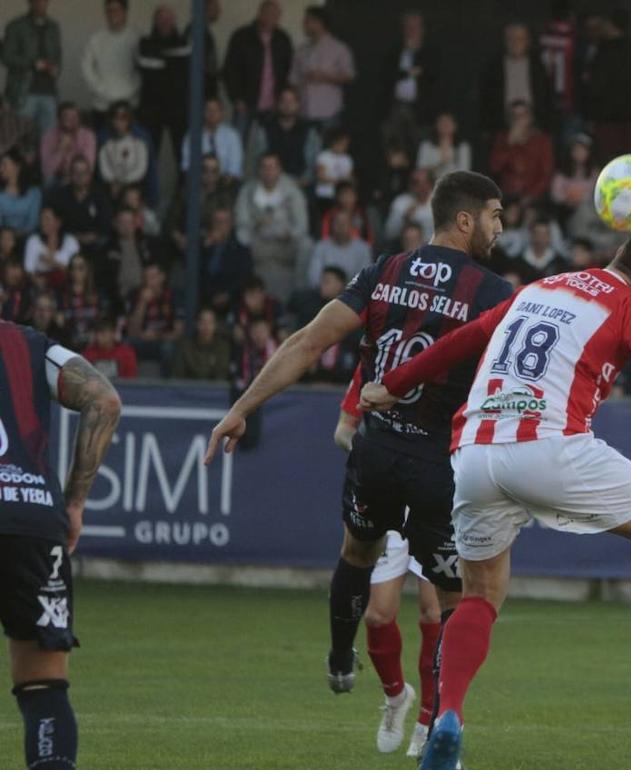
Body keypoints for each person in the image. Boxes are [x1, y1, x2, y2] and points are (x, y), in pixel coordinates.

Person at [355, 224, 631, 769]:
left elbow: (461, 341)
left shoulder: (542, 288)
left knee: (478, 597)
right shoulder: (630, 304)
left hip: (473, 452)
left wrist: (392, 384)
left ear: (617, 253)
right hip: (548, 444)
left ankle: (450, 717)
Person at [204, 172, 514, 702]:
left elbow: (306, 343)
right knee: (457, 599)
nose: (500, 227)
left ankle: (339, 657)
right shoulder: (492, 293)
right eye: (494, 214)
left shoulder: (385, 270)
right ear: (465, 220)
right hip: (439, 464)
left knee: (357, 552)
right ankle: (445, 717)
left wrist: (242, 408)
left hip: (377, 451)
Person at [0, 315, 121, 770]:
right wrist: (74, 502)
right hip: (32, 518)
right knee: (43, 688)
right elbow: (105, 400)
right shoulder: (30, 346)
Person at [334, 372, 446, 758]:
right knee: (378, 616)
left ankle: (428, 723)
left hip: (433, 498)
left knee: (435, 611)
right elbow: (343, 431)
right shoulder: (377, 362)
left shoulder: (450, 365)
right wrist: (373, 458)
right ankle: (396, 697)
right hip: (387, 496)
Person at [234, 152, 310, 302]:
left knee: (307, 245)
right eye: (264, 167)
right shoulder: (247, 191)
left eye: (272, 167)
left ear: (279, 169)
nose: (268, 171)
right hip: (258, 241)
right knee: (238, 245)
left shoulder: (292, 191)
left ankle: (300, 292)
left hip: (284, 242)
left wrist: (290, 233)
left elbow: (302, 225)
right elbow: (241, 223)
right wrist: (256, 224)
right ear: (259, 170)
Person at [223, 0, 294, 139]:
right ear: (260, 14)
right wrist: (236, 98)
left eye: (277, 15)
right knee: (237, 143)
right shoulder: (241, 36)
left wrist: (284, 99)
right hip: (246, 102)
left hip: (273, 104)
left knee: (270, 145)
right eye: (270, 14)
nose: (274, 18)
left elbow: (288, 70)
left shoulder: (282, 38)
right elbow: (230, 70)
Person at [581, 10, 631, 164]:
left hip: (606, 119)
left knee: (606, 163)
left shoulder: (603, 51)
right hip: (628, 118)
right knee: (627, 162)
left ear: (611, 25)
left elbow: (596, 86)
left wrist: (590, 114)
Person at [478, 22, 554, 137]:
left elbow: (547, 98)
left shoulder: (538, 66)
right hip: (501, 130)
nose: (515, 43)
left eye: (520, 39)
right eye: (511, 38)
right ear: (505, 41)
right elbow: (485, 100)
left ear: (528, 41)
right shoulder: (494, 67)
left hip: (534, 130)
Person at [136, 5, 189, 160]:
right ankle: (149, 185)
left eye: (168, 19)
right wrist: (170, 60)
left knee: (182, 154)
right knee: (149, 155)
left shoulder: (185, 43)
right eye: (161, 19)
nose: (164, 22)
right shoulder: (144, 43)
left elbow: (185, 73)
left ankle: (182, 185)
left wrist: (162, 59)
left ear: (174, 21)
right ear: (155, 22)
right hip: (151, 108)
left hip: (178, 108)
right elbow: (146, 69)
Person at [2, 0, 62, 139]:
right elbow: (6, 56)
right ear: (29, 2)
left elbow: (58, 55)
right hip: (23, 93)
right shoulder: (16, 26)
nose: (40, 4)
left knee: (48, 141)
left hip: (50, 93)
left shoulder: (54, 27)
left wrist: (56, 69)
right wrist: (33, 63)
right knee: (20, 138)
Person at [291, 6, 355, 130]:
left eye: (307, 21)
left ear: (318, 23)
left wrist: (324, 77)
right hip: (304, 111)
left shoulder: (339, 49)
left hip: (328, 111)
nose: (303, 24)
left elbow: (349, 76)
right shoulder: (301, 50)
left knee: (327, 147)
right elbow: (293, 78)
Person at [80, 0, 140, 124]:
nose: (112, 14)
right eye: (108, 11)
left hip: (130, 104)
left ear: (125, 12)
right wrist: (100, 89)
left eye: (116, 10)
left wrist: (131, 90)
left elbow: (142, 69)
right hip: (102, 105)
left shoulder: (136, 38)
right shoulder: (96, 39)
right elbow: (86, 67)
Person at [384, 11, 438, 145]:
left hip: (421, 108)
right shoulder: (395, 51)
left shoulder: (430, 51)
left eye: (416, 27)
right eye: (408, 27)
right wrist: (408, 72)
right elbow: (387, 76)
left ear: (423, 29)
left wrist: (415, 54)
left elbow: (433, 76)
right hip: (397, 105)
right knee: (395, 144)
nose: (412, 30)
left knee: (421, 144)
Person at [488, 100, 554, 205]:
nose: (518, 119)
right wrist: (509, 143)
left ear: (530, 117)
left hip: (535, 194)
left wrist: (530, 195)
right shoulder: (502, 138)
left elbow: (546, 174)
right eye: (514, 116)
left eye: (522, 115)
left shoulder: (541, 140)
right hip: (508, 194)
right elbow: (495, 167)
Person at [180, 96, 243, 181]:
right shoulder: (192, 135)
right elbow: (186, 166)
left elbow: (235, 169)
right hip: (199, 183)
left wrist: (221, 186)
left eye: (215, 110)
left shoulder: (232, 135)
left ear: (221, 113)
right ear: (202, 112)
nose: (212, 113)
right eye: (208, 110)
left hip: (225, 183)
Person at [96, 102, 150, 198]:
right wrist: (113, 181)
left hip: (134, 186)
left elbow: (141, 170)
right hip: (111, 186)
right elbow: (104, 169)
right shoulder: (107, 145)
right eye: (116, 118)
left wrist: (123, 183)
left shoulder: (139, 144)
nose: (119, 122)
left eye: (123, 118)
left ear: (129, 120)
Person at [308, 209, 371, 288]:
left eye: (344, 223)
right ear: (331, 226)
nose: (340, 227)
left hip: (352, 294)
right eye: (337, 223)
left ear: (352, 226)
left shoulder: (363, 248)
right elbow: (314, 278)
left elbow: (365, 279)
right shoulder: (321, 246)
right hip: (324, 293)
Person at [38, 102, 94, 185]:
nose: (71, 120)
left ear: (79, 119)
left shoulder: (87, 136)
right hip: (57, 177)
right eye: (66, 117)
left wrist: (70, 176)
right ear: (59, 119)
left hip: (78, 175)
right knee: (49, 180)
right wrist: (61, 149)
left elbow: (88, 164)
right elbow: (46, 170)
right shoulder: (48, 136)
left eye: (74, 117)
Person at [172, 307, 231, 380]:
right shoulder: (185, 346)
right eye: (202, 322)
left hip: (214, 390)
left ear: (215, 325)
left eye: (210, 322)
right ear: (196, 324)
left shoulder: (223, 347)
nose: (206, 327)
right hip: (189, 389)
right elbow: (178, 375)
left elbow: (221, 375)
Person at [23, 206, 77, 282]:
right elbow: (28, 270)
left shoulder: (70, 241)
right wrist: (36, 280)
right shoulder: (33, 241)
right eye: (41, 219)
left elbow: (77, 271)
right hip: (40, 284)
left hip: (66, 284)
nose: (43, 223)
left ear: (58, 222)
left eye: (47, 219)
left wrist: (52, 262)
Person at [416, 112, 471, 180]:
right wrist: (440, 164)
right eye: (442, 122)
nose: (445, 124)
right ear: (436, 125)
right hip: (430, 185)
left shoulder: (462, 146)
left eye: (448, 122)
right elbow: (420, 170)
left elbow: (465, 171)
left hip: (454, 185)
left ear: (455, 126)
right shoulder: (426, 145)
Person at [0, 149, 40, 237]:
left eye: (4, 165)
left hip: (28, 238)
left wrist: (19, 235)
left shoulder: (34, 193)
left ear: (17, 167)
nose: (1, 169)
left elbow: (33, 223)